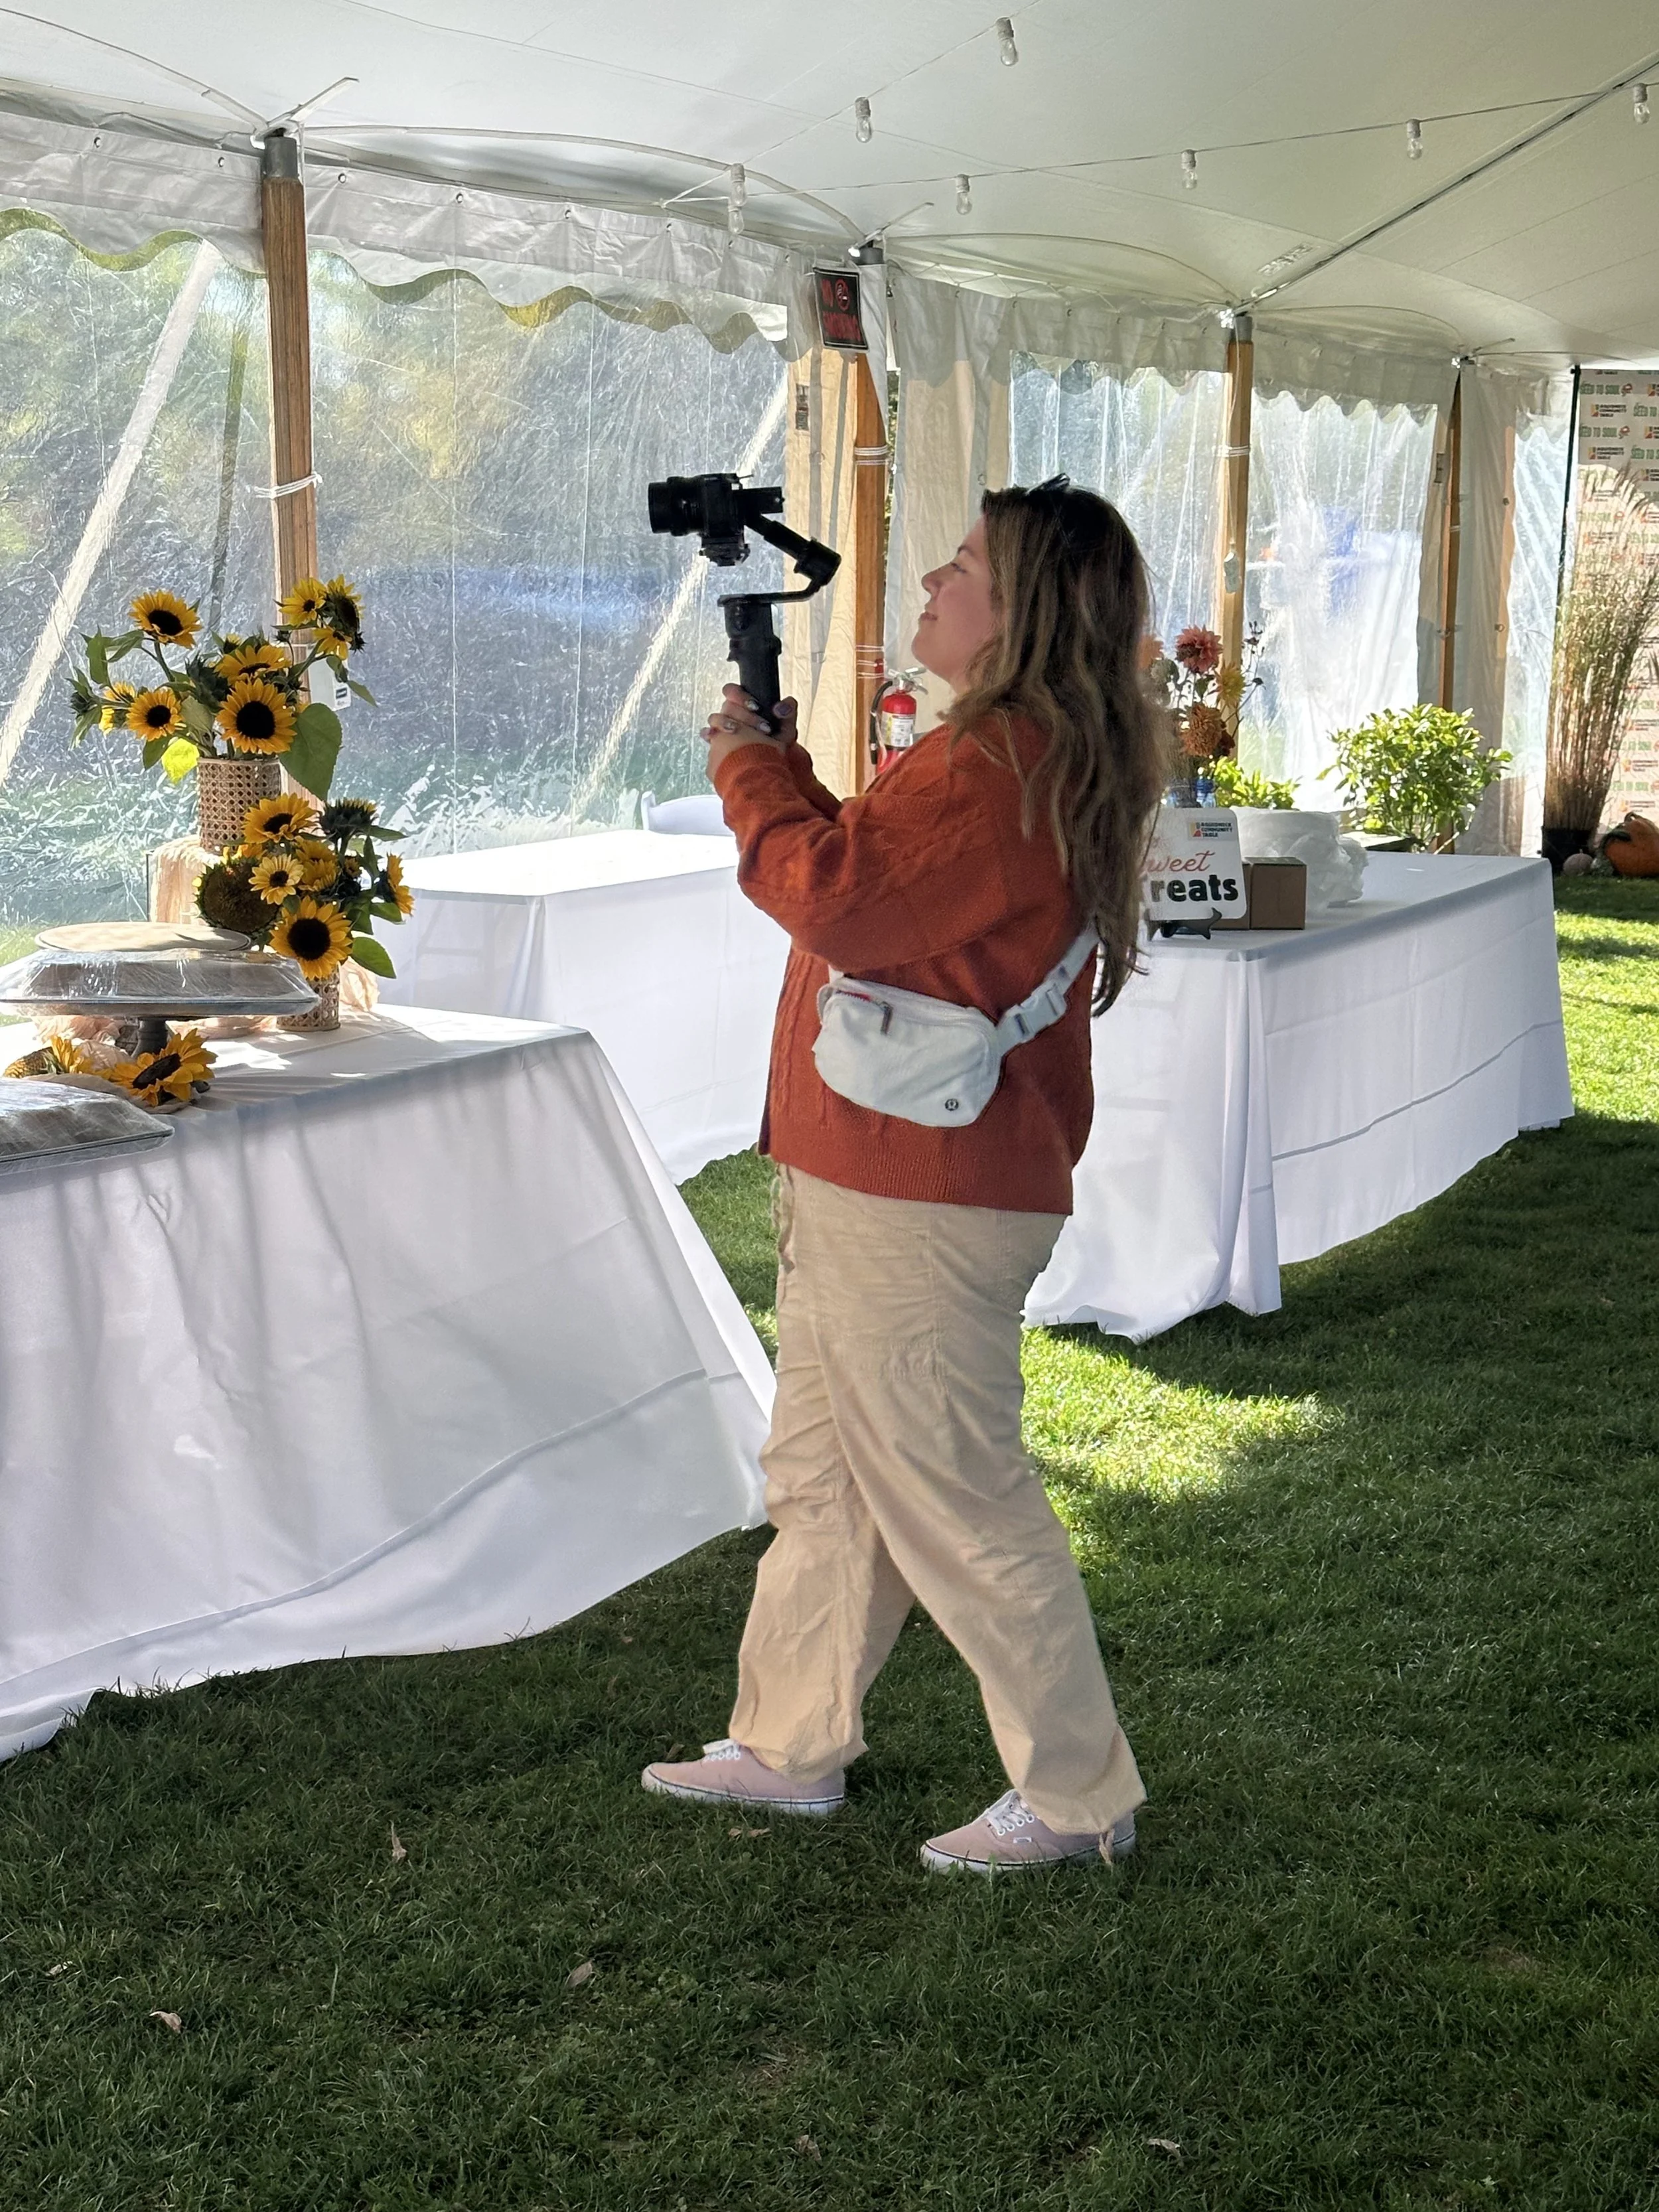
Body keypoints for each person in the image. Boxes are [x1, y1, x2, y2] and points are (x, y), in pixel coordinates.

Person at [642, 479, 1169, 1874]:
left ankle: (1074, 1793)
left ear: (1027, 608)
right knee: (824, 1471)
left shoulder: (1004, 758)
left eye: (958, 566)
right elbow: (878, 880)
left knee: (949, 1488)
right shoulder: (1003, 753)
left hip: (922, 1189)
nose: (929, 585)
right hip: (881, 1168)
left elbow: (831, 899)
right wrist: (789, 770)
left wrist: (746, 769)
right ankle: (788, 1741)